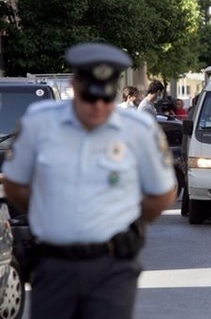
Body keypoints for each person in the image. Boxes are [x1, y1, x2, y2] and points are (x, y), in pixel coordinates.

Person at [0, 42, 177, 319]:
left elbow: (162, 192)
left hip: (112, 266)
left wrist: (129, 221)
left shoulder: (137, 130)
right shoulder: (39, 123)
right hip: (53, 263)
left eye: (105, 99)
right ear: (74, 85)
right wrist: (46, 211)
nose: (97, 107)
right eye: (89, 97)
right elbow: (13, 182)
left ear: (115, 93)